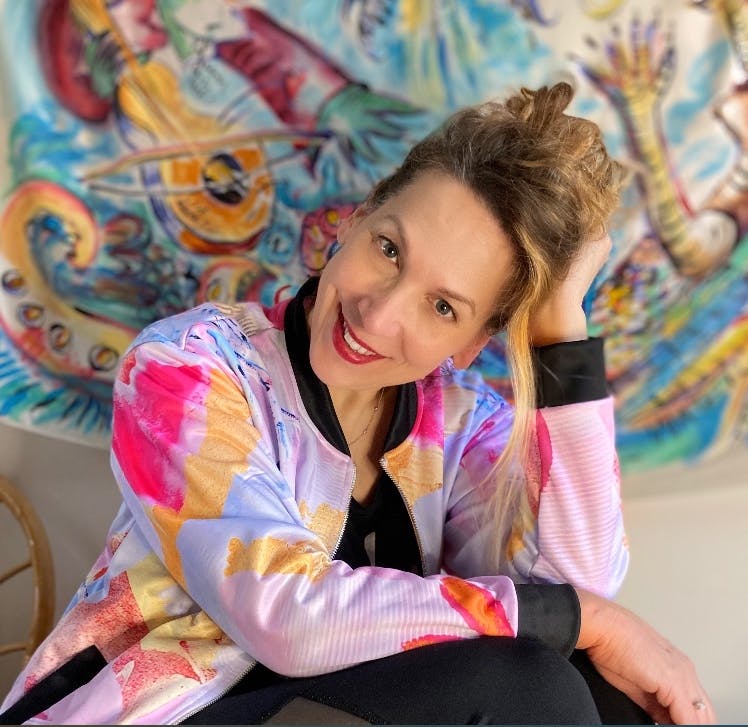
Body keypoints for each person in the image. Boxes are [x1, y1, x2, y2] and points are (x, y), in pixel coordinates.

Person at [0, 82, 714, 725]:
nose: (378, 313)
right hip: (163, 713)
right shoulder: (187, 365)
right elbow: (283, 616)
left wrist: (560, 326)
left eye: (443, 306)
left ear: (473, 342)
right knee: (529, 684)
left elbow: (576, 584)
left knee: (607, 695)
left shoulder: (460, 422)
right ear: (357, 218)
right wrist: (583, 617)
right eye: (389, 248)